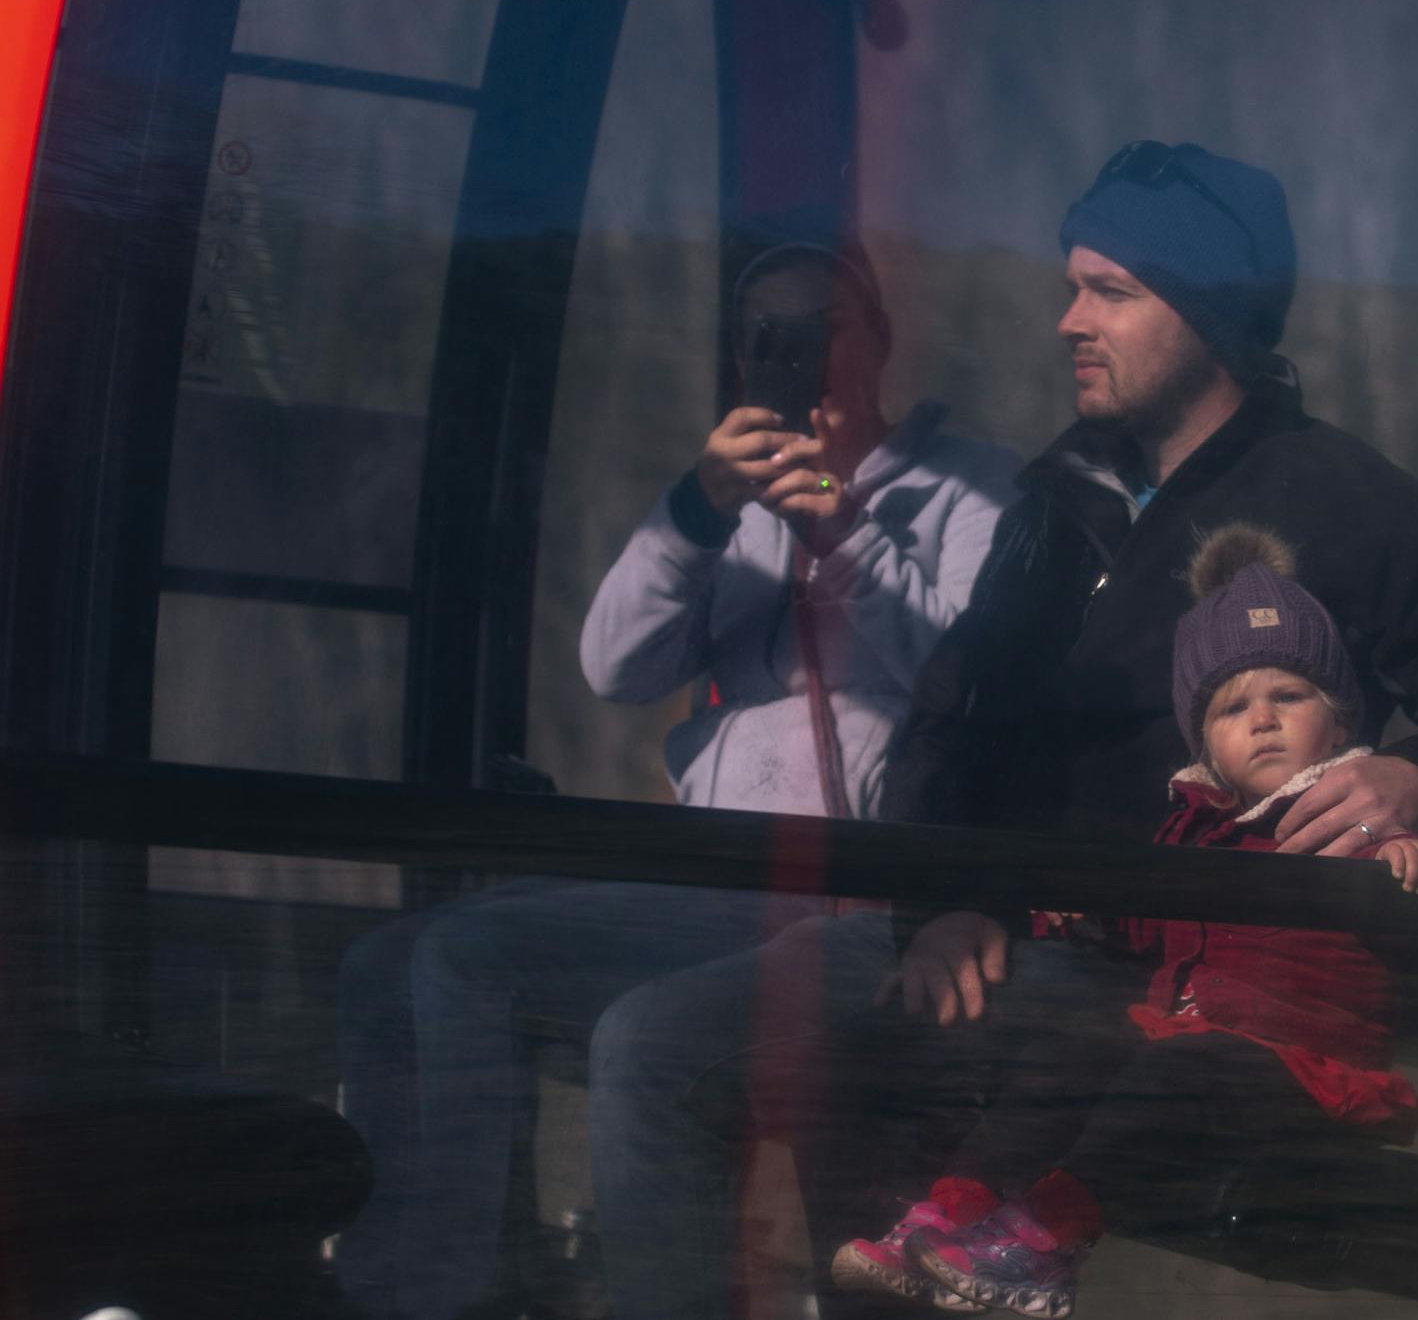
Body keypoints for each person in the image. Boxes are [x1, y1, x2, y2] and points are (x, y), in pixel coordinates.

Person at [584, 141, 1418, 1320]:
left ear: (1210, 316)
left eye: (1110, 291)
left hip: (1152, 976)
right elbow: (951, 723)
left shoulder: (1342, 504)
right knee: (660, 1046)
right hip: (983, 933)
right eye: (1070, 285)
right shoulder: (1064, 498)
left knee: (820, 1070)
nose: (1068, 320)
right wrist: (940, 903)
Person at [333, 234, 1017, 1320]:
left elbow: (972, 677)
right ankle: (406, 1285)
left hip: (845, 890)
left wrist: (842, 533)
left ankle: (438, 1298)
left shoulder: (968, 487)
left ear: (879, 339)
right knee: (389, 960)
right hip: (707, 879)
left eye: (819, 328)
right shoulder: (728, 511)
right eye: (765, 336)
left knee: (490, 964)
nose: (791, 354)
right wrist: (694, 514)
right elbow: (613, 664)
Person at [829, 524, 1418, 1319]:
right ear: (1206, 743)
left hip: (1298, 1068)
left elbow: (1397, 883)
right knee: (1069, 1049)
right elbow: (1153, 927)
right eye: (1232, 708)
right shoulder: (1192, 828)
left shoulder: (1345, 820)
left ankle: (1043, 1246)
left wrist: (1404, 854)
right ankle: (949, 1217)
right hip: (1193, 1043)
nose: (1261, 720)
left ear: (1337, 719)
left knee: (1173, 1072)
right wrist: (1079, 916)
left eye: (1288, 697)